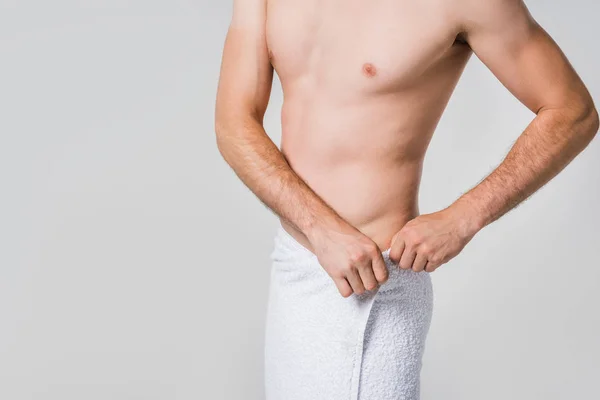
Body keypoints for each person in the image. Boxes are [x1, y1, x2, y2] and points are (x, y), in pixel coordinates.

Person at [214, 0, 599, 399]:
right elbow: (233, 122)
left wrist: (464, 216)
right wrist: (318, 229)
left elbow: (573, 111)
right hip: (294, 265)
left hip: (376, 286)